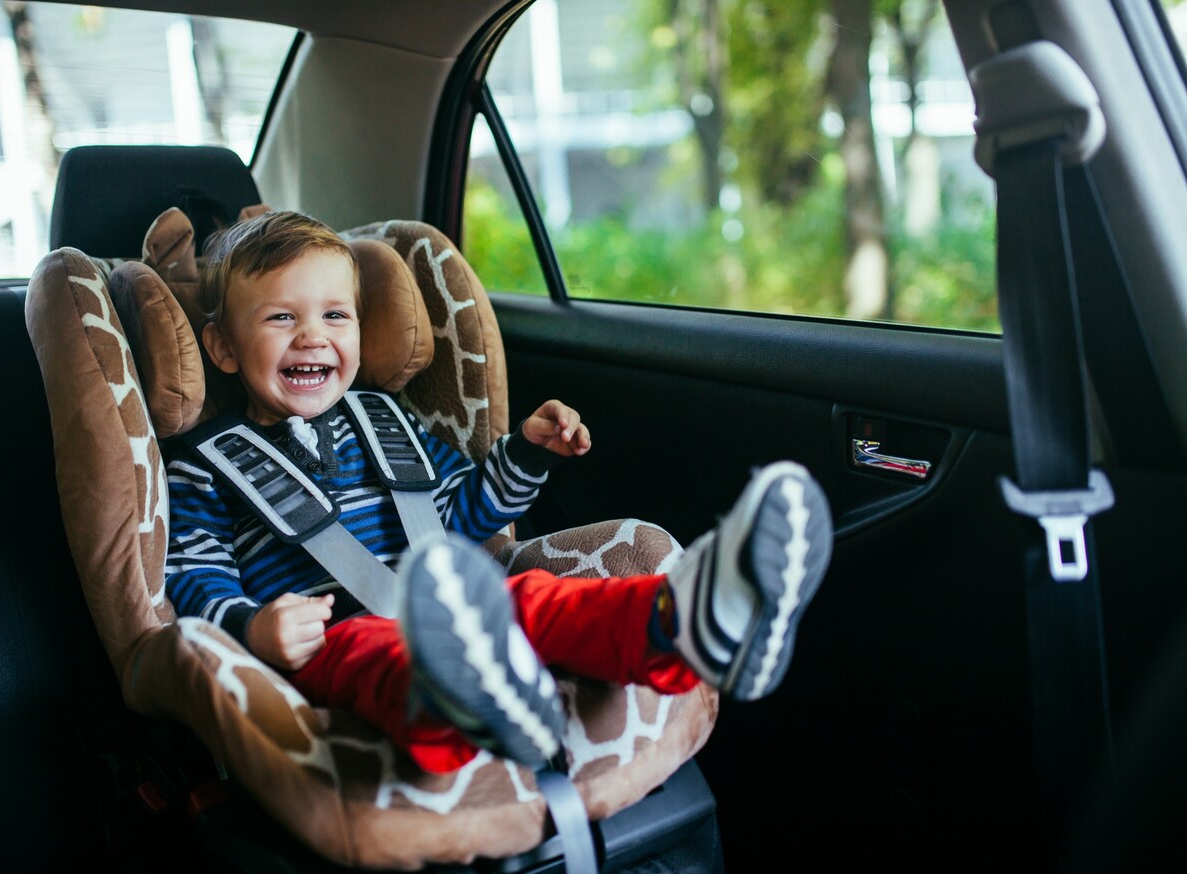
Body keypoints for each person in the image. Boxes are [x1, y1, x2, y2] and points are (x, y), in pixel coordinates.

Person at [165, 210, 833, 773]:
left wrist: (527, 452)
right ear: (223, 348)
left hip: (452, 609)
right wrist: (255, 627)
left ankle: (686, 624)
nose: (313, 336)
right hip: (331, 641)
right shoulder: (206, 465)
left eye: (335, 315)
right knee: (382, 657)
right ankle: (471, 703)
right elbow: (193, 578)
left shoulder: (385, 420)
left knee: (536, 598)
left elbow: (461, 514)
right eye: (282, 318)